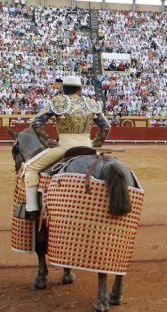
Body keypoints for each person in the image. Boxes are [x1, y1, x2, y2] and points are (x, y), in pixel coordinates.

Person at [22, 76, 111, 218]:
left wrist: (48, 142)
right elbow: (106, 126)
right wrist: (96, 144)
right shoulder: (91, 103)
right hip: (88, 147)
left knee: (30, 168)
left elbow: (36, 122)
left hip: (64, 147)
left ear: (63, 89)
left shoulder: (58, 102)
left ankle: (31, 208)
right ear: (79, 89)